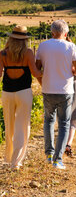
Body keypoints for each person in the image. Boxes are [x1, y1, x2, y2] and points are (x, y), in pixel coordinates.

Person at [36, 20, 76, 170]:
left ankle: (49, 154)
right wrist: (70, 72)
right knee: (63, 124)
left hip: (48, 90)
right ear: (66, 33)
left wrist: (42, 83)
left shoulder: (43, 46)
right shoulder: (71, 46)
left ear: (51, 32)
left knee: (48, 121)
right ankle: (58, 160)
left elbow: (37, 69)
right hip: (65, 91)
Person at [0, 25, 42, 170]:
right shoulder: (28, 53)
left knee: (9, 124)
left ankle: (8, 156)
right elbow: (36, 73)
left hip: (7, 93)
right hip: (24, 92)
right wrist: (46, 71)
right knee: (22, 126)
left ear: (10, 38)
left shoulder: (3, 54)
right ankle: (16, 162)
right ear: (25, 40)